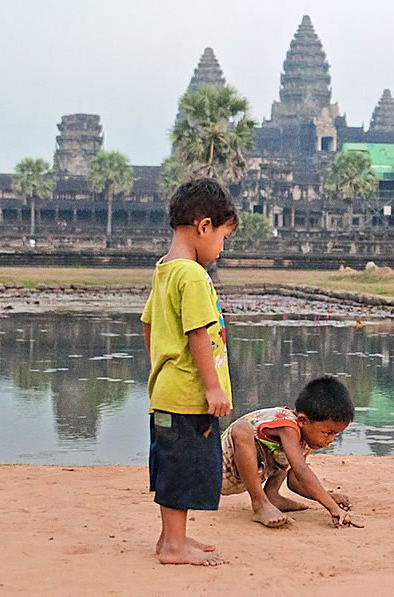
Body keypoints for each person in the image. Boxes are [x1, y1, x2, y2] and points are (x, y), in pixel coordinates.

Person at [141, 178, 238, 565]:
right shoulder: (193, 275)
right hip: (188, 397)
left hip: (167, 391)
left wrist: (160, 367)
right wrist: (213, 389)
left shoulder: (164, 270)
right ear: (204, 226)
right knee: (185, 468)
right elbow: (198, 331)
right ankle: (175, 547)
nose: (220, 248)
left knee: (171, 465)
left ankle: (170, 538)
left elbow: (147, 323)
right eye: (223, 237)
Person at [220, 376, 362, 529]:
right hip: (219, 470)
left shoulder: (304, 439)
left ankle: (272, 495)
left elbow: (295, 480)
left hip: (246, 475)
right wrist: (333, 508)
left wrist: (328, 498)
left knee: (287, 453)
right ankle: (260, 504)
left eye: (336, 435)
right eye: (327, 433)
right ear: (302, 421)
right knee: (242, 429)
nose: (331, 440)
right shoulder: (289, 427)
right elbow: (301, 471)